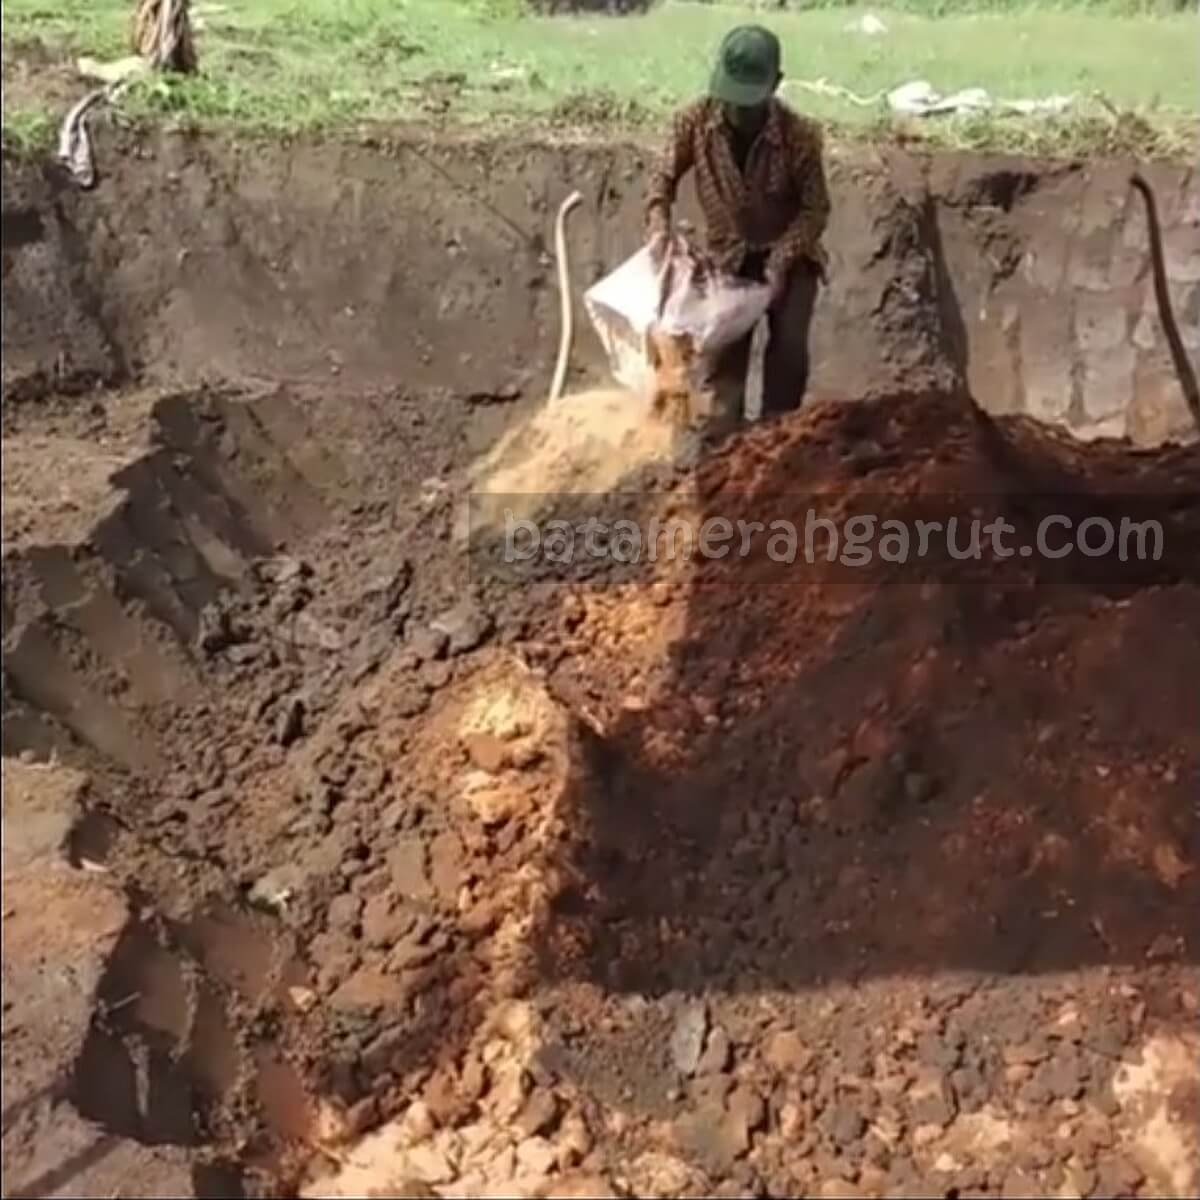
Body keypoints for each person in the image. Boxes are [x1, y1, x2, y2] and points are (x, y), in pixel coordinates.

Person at [644, 24, 830, 431]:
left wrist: (781, 260)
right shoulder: (693, 121)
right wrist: (659, 225)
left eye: (749, 102)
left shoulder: (800, 136)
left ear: (775, 85)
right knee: (722, 366)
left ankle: (776, 443)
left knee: (788, 356)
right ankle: (720, 451)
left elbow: (816, 209)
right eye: (733, 99)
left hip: (790, 258)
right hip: (726, 258)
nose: (738, 112)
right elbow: (661, 177)